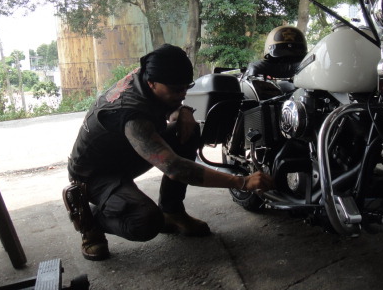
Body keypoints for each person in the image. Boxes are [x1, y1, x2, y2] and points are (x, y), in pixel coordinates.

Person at [63, 44, 273, 260]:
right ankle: (90, 222)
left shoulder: (150, 73)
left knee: (188, 130)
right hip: (94, 175)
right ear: (152, 83)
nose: (182, 94)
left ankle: (172, 211)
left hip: (124, 154)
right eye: (175, 90)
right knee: (146, 222)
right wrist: (242, 182)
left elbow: (167, 103)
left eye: (185, 88)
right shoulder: (131, 115)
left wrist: (182, 109)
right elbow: (175, 168)